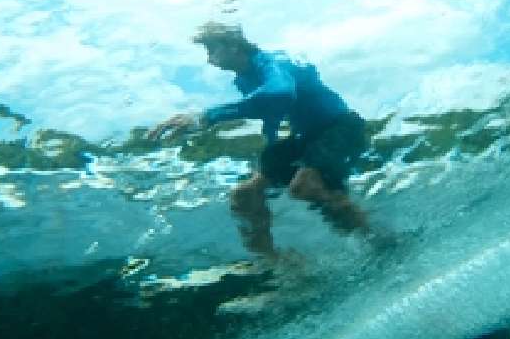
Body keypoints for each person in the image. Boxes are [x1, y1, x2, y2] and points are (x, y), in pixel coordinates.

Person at [147, 22, 371, 258]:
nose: (209, 59)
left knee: (304, 187)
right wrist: (269, 164)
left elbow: (280, 93)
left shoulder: (271, 62)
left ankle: (372, 236)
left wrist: (205, 117)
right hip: (305, 136)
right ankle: (275, 262)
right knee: (244, 195)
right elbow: (271, 116)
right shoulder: (244, 79)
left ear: (233, 46)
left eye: (212, 49)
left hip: (340, 127)